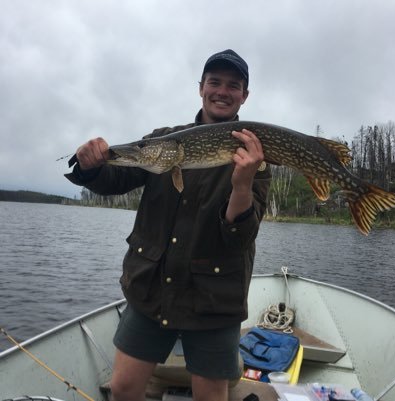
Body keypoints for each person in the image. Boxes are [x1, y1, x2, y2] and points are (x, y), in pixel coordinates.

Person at [65, 49, 271, 401]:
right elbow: (117, 178)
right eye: (214, 82)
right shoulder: (164, 140)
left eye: (233, 85)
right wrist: (93, 166)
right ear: (201, 88)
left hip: (214, 299)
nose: (222, 91)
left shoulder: (256, 152)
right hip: (153, 289)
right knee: (123, 388)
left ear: (244, 96)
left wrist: (242, 184)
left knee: (210, 396)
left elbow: (239, 237)